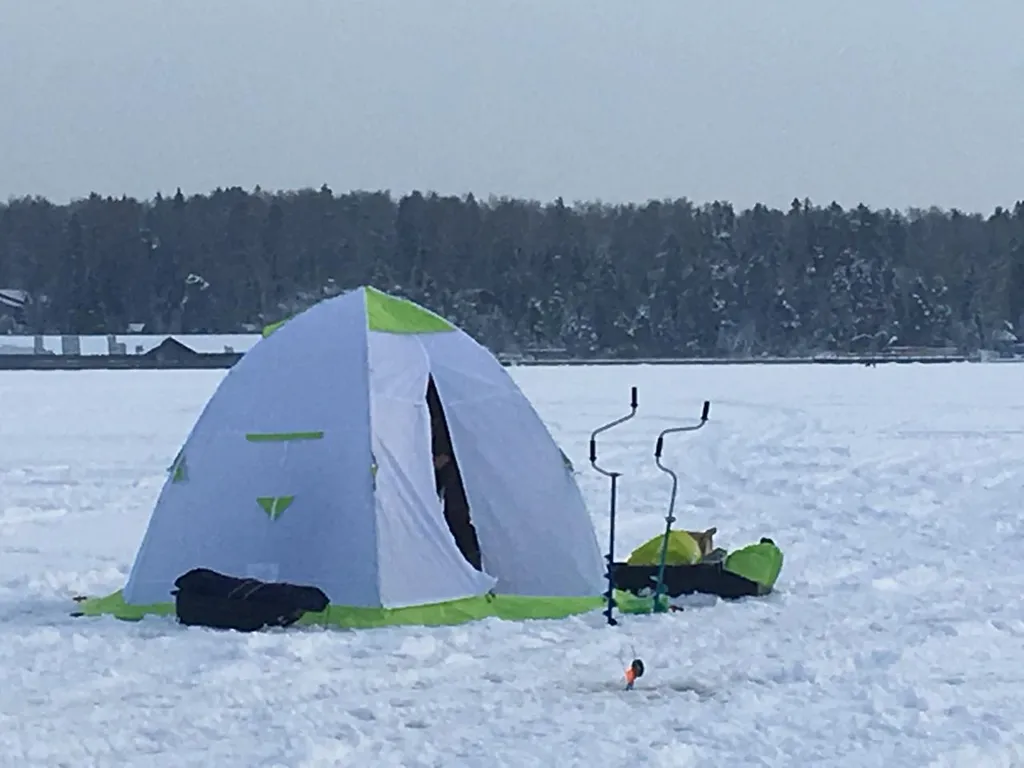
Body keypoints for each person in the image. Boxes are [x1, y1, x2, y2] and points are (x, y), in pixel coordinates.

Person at [427, 379, 482, 571]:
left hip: (450, 456)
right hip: (431, 454)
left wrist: (442, 451)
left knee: (456, 516)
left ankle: (470, 565)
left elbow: (445, 414)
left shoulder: (439, 380)